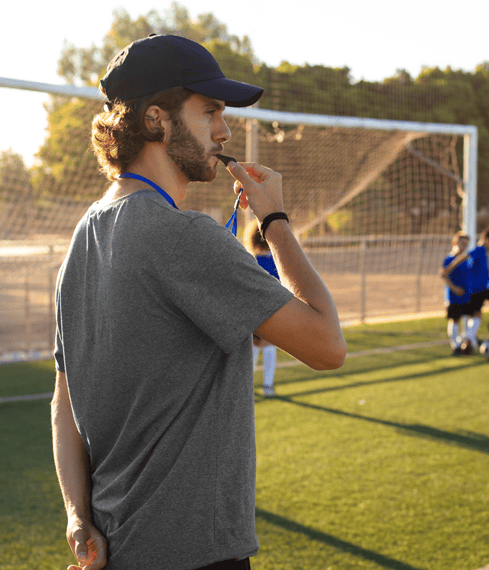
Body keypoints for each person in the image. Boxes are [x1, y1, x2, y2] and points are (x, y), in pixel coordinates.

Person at [51, 34, 346, 570]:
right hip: (194, 555)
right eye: (209, 110)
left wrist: (77, 514)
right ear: (157, 120)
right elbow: (327, 346)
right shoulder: (184, 235)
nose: (225, 130)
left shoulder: (83, 237)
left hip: (115, 549)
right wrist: (275, 221)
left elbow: (64, 402)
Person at [442, 227, 489, 352]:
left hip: (474, 290)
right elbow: (463, 257)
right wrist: (449, 269)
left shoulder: (481, 253)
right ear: (487, 240)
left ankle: (468, 341)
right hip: (481, 289)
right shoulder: (478, 250)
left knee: (476, 315)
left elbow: (478, 271)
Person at [248, 223, 280, 396]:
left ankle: (248, 386)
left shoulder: (250, 260)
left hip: (251, 311)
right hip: (271, 309)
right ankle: (268, 386)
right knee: (268, 345)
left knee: (252, 346)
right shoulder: (277, 262)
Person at [441, 231, 471, 356]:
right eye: (462, 243)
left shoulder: (466, 259)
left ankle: (466, 341)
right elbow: (443, 274)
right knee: (455, 319)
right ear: (455, 243)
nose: (464, 247)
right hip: (453, 296)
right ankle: (455, 346)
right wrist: (454, 288)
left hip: (466, 295)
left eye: (466, 245)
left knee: (472, 317)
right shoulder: (449, 258)